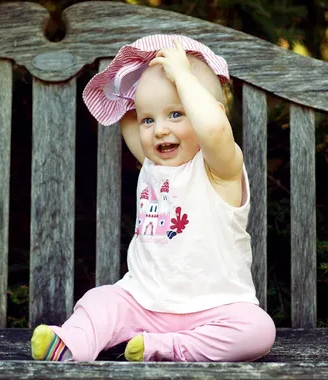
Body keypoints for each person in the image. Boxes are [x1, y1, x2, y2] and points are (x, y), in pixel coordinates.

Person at [30, 34, 276, 362]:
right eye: (150, 120)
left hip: (215, 311)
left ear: (208, 112)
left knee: (258, 330)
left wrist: (183, 75)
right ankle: (72, 343)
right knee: (101, 300)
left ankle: (166, 347)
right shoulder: (154, 164)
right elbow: (127, 110)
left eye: (176, 114)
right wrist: (140, 71)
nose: (159, 129)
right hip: (142, 305)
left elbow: (215, 129)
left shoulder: (220, 169)